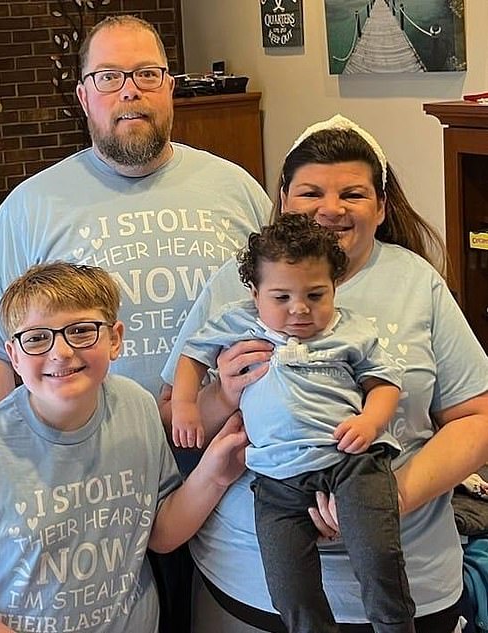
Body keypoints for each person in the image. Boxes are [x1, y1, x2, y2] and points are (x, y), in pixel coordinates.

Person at [161, 114, 488, 633]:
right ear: (284, 198)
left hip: (410, 583)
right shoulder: (236, 284)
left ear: (381, 206)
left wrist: (390, 498)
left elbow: (477, 418)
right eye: (311, 191)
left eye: (353, 194)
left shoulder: (414, 281)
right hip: (252, 581)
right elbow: (176, 418)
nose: (330, 209)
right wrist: (223, 394)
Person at [0, 14, 271, 422]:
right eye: (108, 77)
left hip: (231, 444)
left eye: (147, 74)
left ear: (169, 89)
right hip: (91, 461)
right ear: (83, 96)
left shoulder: (237, 189)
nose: (130, 91)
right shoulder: (32, 206)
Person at [0, 262, 248, 633]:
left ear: (115, 338)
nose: (60, 352)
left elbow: (158, 534)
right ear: (14, 355)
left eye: (81, 331)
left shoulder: (137, 408)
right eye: (35, 338)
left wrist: (214, 474)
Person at [171, 214, 413, 633]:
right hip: (276, 478)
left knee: (378, 557)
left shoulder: (351, 328)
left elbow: (385, 383)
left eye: (316, 294)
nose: (300, 308)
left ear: (335, 286)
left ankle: (395, 625)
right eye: (281, 297)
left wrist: (371, 422)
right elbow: (192, 357)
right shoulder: (236, 321)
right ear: (254, 292)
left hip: (352, 462)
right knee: (287, 584)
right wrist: (185, 405)